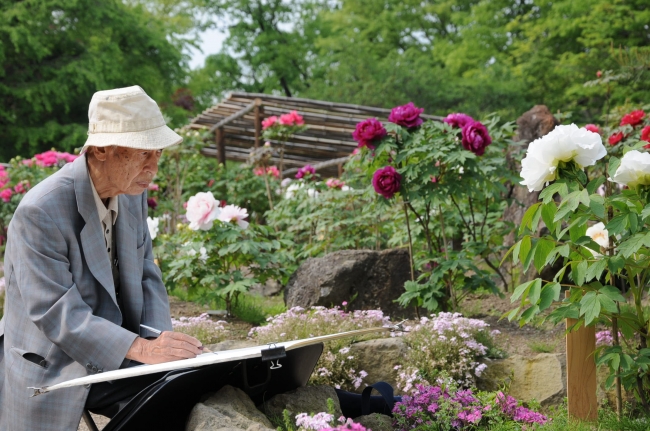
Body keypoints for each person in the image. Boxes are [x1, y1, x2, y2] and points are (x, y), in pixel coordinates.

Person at [0, 86, 203, 430]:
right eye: (143, 154)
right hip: (53, 359)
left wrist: (159, 342)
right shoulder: (40, 211)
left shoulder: (131, 193)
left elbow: (145, 274)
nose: (154, 167)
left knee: (187, 387)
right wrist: (142, 349)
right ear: (102, 149)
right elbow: (56, 313)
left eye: (158, 153)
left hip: (118, 346)